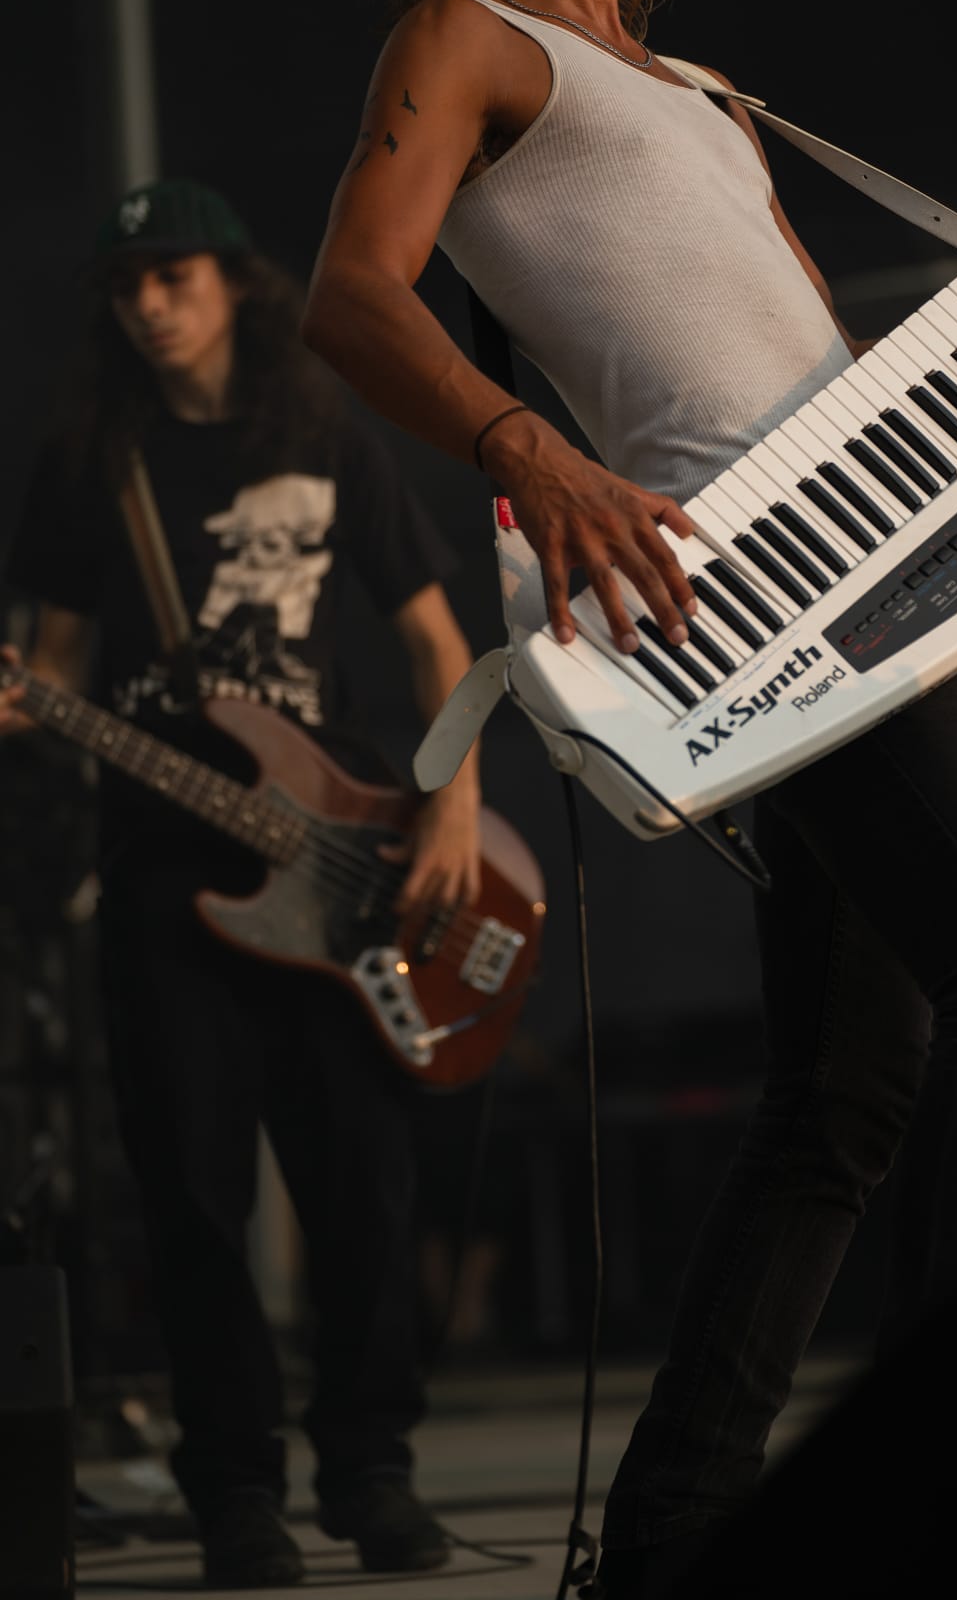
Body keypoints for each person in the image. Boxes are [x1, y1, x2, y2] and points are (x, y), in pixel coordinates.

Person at [298, 0, 957, 1597]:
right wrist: (529, 451)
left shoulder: (707, 97)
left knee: (840, 1096)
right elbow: (352, 296)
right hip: (754, 604)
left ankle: (673, 1538)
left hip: (866, 579)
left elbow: (837, 381)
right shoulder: (462, 39)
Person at [1, 178, 484, 1588]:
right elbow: (57, 671)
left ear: (232, 284)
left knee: (363, 1193)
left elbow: (438, 647)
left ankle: (373, 1474)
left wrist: (452, 809)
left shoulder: (324, 431)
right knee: (195, 1203)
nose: (149, 306)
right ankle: (235, 1498)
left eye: (173, 277)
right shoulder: (94, 462)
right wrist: (27, 706)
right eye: (126, 287)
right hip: (163, 878)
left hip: (343, 866)